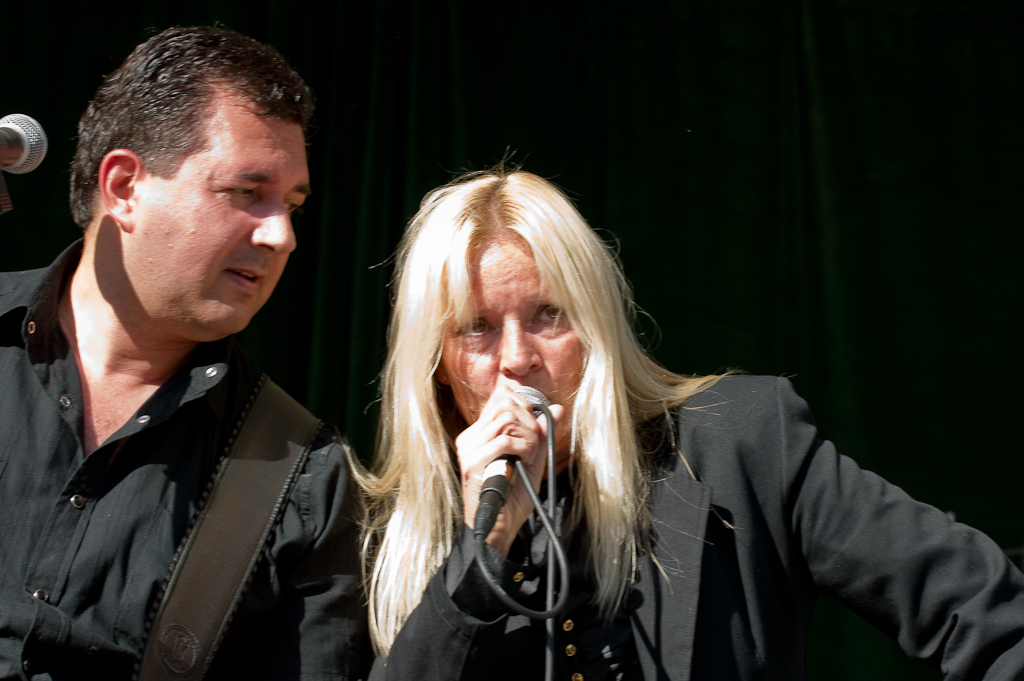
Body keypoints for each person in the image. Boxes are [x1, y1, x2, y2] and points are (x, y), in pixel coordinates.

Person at [359, 167, 1024, 680]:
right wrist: (481, 551)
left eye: (549, 314)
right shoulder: (396, 531)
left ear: (597, 326)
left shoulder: (740, 442)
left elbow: (985, 611)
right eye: (476, 327)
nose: (516, 358)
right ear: (436, 362)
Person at [0, 27, 366, 680]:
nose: (282, 235)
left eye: (293, 205)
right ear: (124, 187)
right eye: (246, 192)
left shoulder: (304, 481)